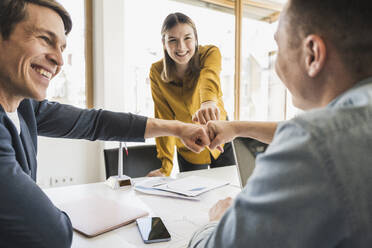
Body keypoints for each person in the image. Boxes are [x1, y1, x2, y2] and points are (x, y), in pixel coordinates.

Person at [0, 1, 210, 247]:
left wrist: (178, 128)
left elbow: (96, 122)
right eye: (45, 39)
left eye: (62, 47)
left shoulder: (25, 107)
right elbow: (51, 233)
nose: (58, 59)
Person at [188, 0, 372, 247]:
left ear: (312, 55)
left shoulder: (313, 143)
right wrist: (236, 128)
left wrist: (218, 222)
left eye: (279, 48)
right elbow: (332, 133)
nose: (276, 67)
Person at [147, 12, 235, 177]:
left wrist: (208, 101)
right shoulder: (156, 72)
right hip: (189, 144)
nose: (181, 47)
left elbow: (209, 76)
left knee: (231, 188)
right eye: (172, 40)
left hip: (220, 133)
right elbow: (163, 117)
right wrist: (165, 167)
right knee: (194, 197)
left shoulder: (210, 53)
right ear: (164, 43)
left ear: (195, 38)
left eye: (187, 38)